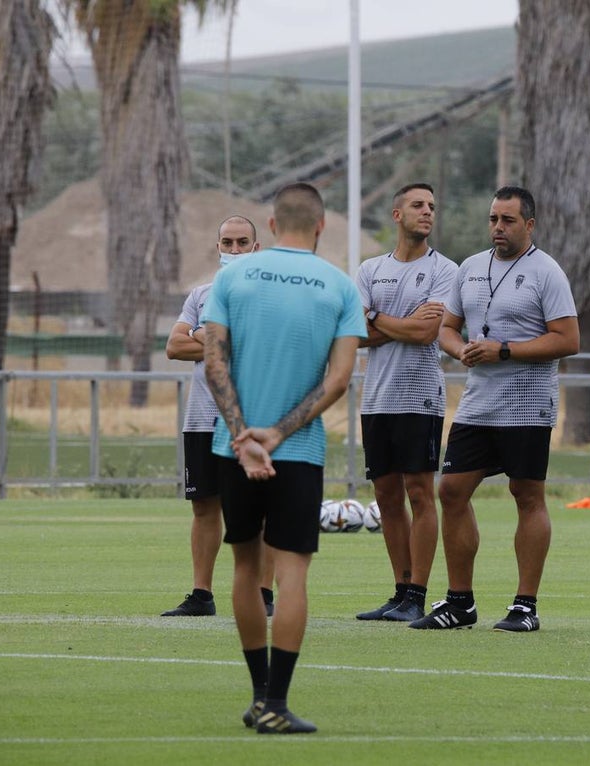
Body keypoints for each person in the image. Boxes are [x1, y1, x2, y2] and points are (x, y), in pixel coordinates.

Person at [202, 183, 365, 734]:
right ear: (321, 227)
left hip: (233, 447)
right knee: (291, 575)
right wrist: (276, 435)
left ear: (270, 225)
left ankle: (257, 697)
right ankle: (276, 701)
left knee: (246, 568)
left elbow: (213, 365)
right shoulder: (340, 286)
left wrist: (244, 437)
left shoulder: (230, 277)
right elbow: (340, 380)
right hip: (297, 451)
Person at [409, 185, 579, 633]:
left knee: (526, 494)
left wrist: (505, 350)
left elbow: (568, 340)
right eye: (492, 219)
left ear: (529, 225)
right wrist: (459, 349)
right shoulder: (470, 267)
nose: (497, 228)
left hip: (527, 406)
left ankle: (525, 605)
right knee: (451, 491)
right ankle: (460, 602)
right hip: (478, 405)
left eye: (507, 220)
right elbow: (448, 326)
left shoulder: (547, 272)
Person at [162, 215, 276, 618]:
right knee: (203, 506)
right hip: (201, 417)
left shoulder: (270, 295)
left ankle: (263, 594)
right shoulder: (200, 295)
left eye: (242, 243)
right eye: (227, 243)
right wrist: (216, 338)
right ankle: (201, 595)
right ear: (217, 247)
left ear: (256, 248)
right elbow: (174, 347)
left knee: (259, 509)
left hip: (251, 417)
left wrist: (207, 337)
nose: (234, 250)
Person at [353, 183, 457, 623]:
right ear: (397, 214)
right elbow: (355, 334)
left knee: (420, 493)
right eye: (418, 205)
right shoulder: (369, 269)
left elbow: (425, 333)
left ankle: (418, 593)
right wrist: (392, 322)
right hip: (376, 400)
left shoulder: (445, 271)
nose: (427, 212)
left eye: (432, 206)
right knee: (386, 496)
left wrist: (376, 316)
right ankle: (400, 592)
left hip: (419, 398)